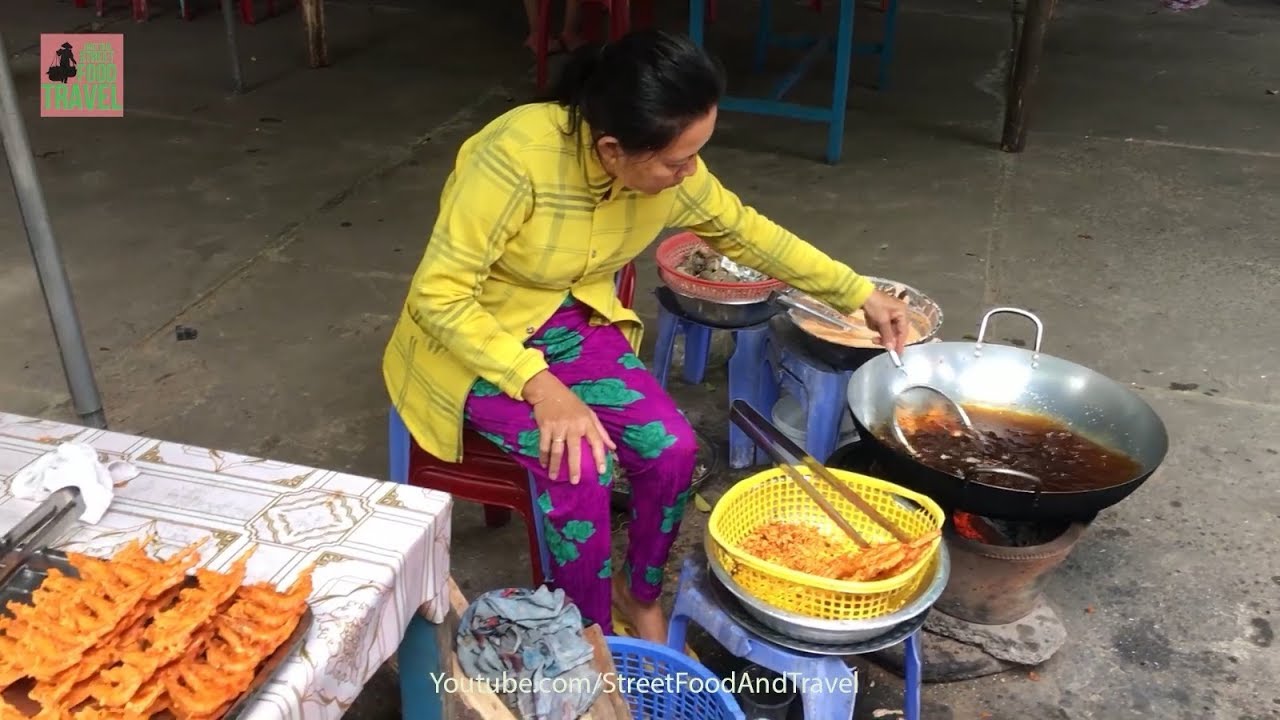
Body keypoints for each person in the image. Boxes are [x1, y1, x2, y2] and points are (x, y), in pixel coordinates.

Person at [382, 29, 910, 645]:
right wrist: (543, 389)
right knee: (579, 465)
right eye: (675, 161)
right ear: (611, 150)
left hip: (570, 320)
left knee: (672, 449)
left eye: (696, 153)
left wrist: (857, 293)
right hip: (472, 341)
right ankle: (591, 636)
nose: (690, 173)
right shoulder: (513, 158)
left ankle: (639, 591)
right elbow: (439, 295)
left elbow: (746, 231)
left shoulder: (670, 167)